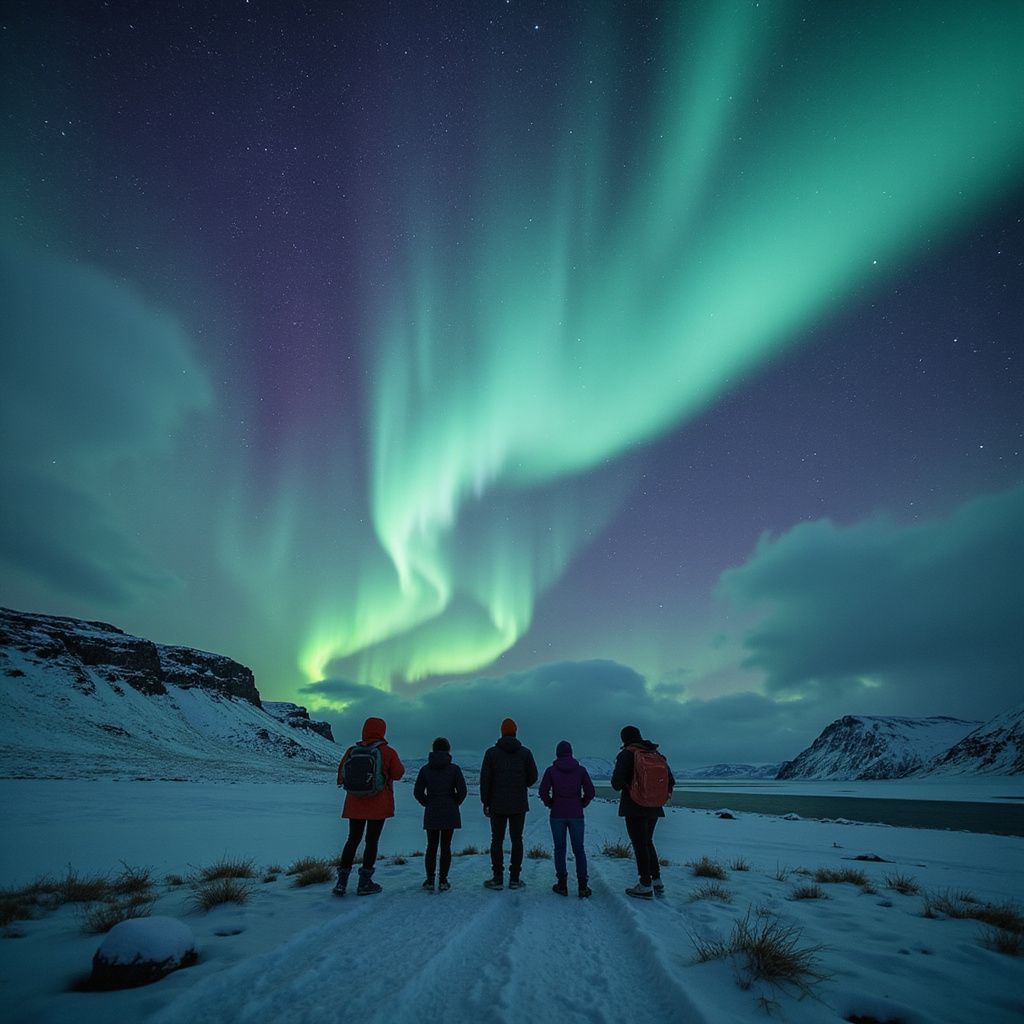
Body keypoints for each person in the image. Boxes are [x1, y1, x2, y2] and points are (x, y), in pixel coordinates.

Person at [334, 716, 405, 896]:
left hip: (354, 804)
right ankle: (364, 882)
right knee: (371, 842)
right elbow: (398, 774)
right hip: (378, 805)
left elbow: (341, 776)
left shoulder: (352, 751)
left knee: (352, 840)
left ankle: (341, 882)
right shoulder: (388, 752)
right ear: (382, 731)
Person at [611, 724, 675, 900]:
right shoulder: (655, 754)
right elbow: (671, 780)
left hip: (634, 806)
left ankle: (645, 884)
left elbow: (616, 783)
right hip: (654, 806)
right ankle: (656, 880)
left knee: (639, 844)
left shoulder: (627, 754)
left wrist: (630, 789)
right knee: (647, 842)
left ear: (624, 739)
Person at [479, 718, 538, 890]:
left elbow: (485, 780)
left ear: (502, 732)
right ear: (515, 732)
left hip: (497, 804)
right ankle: (514, 878)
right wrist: (521, 784)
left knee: (496, 840)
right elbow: (533, 777)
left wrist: (486, 801)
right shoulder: (525, 753)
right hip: (518, 803)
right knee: (517, 839)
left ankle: (497, 878)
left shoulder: (491, 753)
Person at [539, 740, 595, 898]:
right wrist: (582, 803)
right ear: (571, 752)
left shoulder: (551, 771)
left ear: (557, 753)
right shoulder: (581, 770)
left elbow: (543, 791)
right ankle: (583, 886)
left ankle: (562, 884)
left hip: (557, 814)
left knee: (559, 849)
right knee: (579, 850)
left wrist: (550, 803)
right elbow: (590, 792)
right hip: (576, 814)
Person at [413, 736, 468, 892]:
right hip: (449, 811)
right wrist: (454, 802)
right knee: (446, 846)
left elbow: (417, 792)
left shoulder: (425, 769)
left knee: (431, 846)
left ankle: (430, 880)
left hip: (432, 811)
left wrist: (427, 802)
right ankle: (443, 880)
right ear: (448, 750)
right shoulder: (454, 769)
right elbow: (462, 791)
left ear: (433, 749)